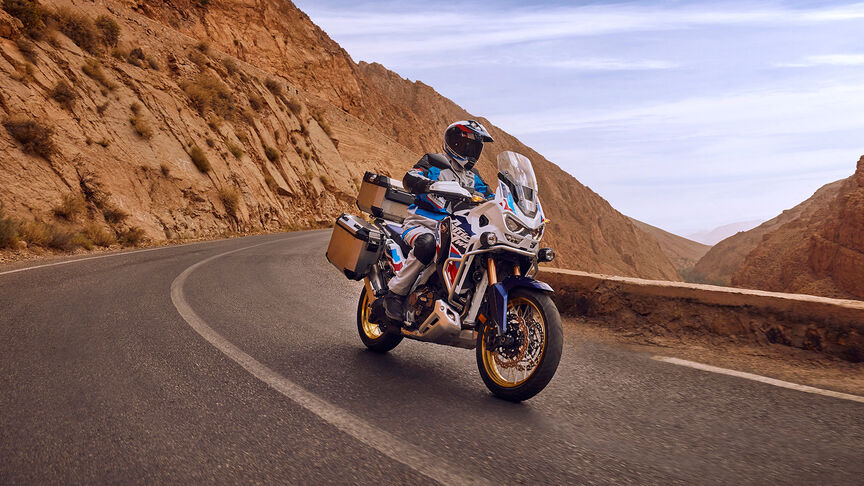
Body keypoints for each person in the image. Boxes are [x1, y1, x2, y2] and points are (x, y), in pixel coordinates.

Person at [383, 120, 495, 322]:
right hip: (421, 223)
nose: (471, 152)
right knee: (427, 244)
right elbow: (411, 176)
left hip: (456, 228)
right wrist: (425, 184)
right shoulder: (433, 162)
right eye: (467, 146)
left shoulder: (473, 176)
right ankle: (395, 294)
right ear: (453, 143)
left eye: (475, 148)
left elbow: (490, 196)